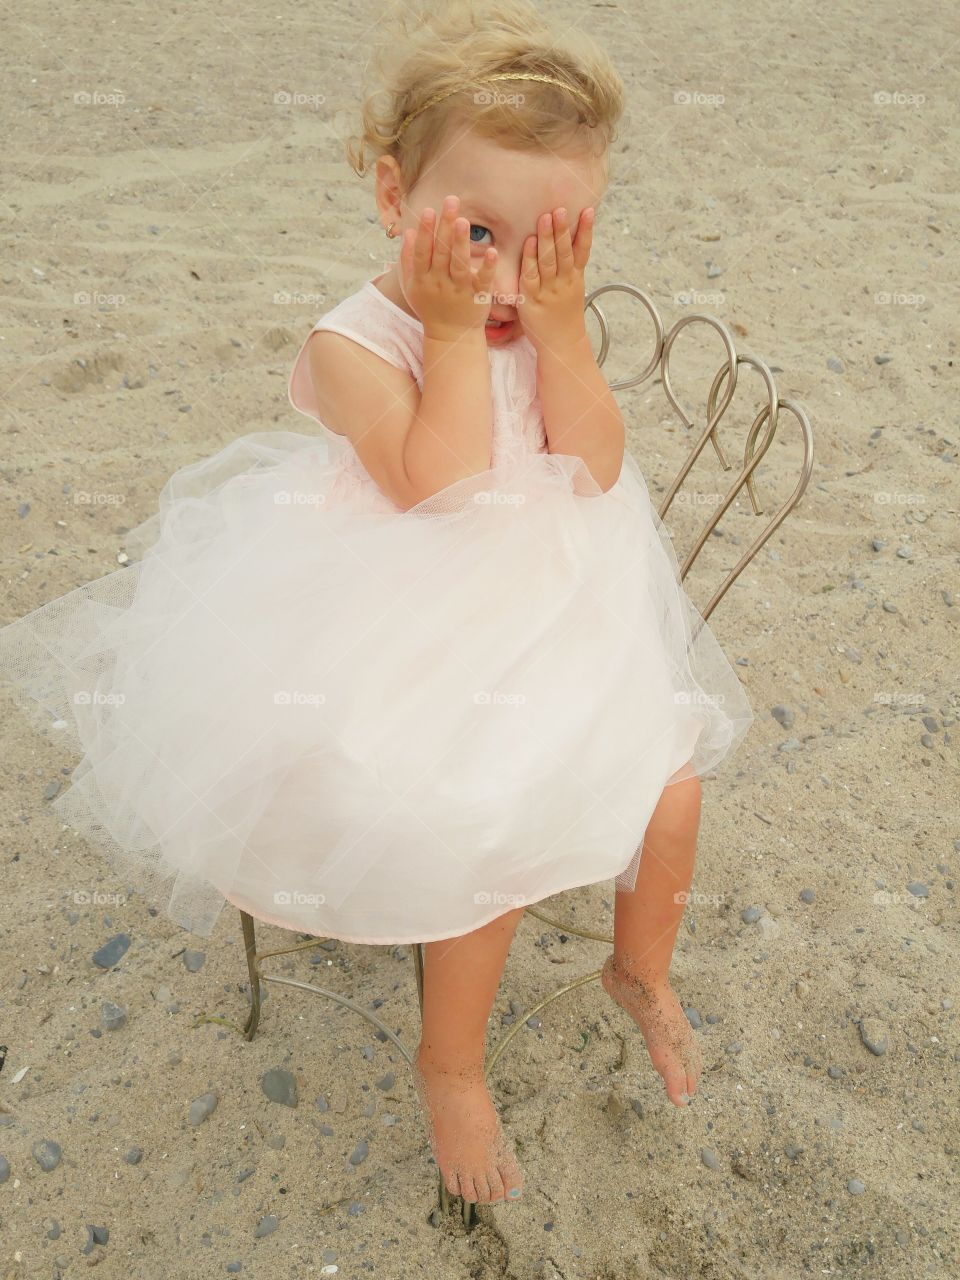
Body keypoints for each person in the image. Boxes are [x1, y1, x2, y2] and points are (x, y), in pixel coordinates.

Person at [0, 0, 754, 1207]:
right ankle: (449, 1060)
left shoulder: (535, 316)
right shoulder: (356, 340)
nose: (508, 275)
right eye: (476, 232)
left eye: (553, 241)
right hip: (395, 629)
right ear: (394, 195)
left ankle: (639, 966)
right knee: (481, 824)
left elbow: (599, 462)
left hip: (554, 614)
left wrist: (561, 338)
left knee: (674, 783)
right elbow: (441, 484)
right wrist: (454, 338)